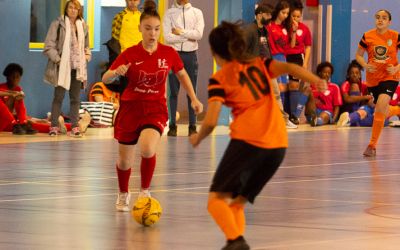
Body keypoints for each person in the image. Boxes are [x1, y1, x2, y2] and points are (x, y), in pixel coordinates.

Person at [189, 21, 324, 250]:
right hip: (278, 146)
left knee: (215, 201)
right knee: (237, 203)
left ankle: (236, 241)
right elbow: (291, 68)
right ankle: (235, 242)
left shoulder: (220, 79)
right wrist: (316, 80)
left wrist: (198, 138)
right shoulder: (259, 64)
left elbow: (211, 121)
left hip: (248, 142)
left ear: (214, 52)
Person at [101, 0, 203, 212]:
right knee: (124, 160)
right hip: (130, 109)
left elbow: (183, 75)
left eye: (156, 29)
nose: (152, 33)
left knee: (147, 148)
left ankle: (145, 190)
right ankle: (123, 192)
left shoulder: (168, 53)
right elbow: (106, 77)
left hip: (155, 108)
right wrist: (116, 72)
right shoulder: (129, 53)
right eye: (148, 28)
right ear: (140, 28)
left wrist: (194, 98)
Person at [355, 9, 400, 156]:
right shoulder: (368, 36)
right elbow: (358, 56)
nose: (380, 20)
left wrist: (396, 68)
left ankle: (371, 145)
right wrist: (365, 65)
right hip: (373, 79)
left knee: (380, 105)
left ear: (389, 21)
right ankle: (397, 110)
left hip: (390, 77)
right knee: (383, 110)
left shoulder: (395, 36)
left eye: (384, 18)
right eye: (378, 17)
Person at [43, 0, 91, 137]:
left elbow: (86, 47)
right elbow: (48, 46)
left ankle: (75, 127)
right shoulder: (58, 24)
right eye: (70, 7)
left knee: (75, 99)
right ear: (66, 9)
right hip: (62, 67)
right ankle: (53, 127)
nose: (73, 10)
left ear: (79, 10)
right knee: (58, 97)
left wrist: (86, 57)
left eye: (76, 8)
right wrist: (58, 60)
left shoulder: (83, 26)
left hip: (77, 68)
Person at [163, 0, 204, 136]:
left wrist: (179, 32)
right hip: (173, 55)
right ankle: (172, 125)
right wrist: (188, 36)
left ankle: (192, 126)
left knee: (192, 92)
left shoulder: (197, 12)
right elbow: (168, 37)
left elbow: (198, 35)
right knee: (172, 92)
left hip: (191, 56)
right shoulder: (169, 13)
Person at [285, 1, 312, 125]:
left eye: (298, 16)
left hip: (297, 58)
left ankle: (293, 116)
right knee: (284, 86)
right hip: (284, 57)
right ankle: (284, 115)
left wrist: (305, 63)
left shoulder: (305, 29)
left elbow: (308, 47)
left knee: (294, 86)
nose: (296, 18)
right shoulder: (284, 27)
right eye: (293, 16)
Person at [0, 63, 37, 135]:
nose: (15, 79)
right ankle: (15, 124)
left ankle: (23, 124)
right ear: (7, 77)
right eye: (12, 76)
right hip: (6, 121)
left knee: (36, 125)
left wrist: (23, 120)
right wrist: (12, 94)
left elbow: (21, 108)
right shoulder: (2, 87)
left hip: (8, 122)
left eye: (17, 77)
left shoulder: (18, 89)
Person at [306, 62, 342, 126]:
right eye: (325, 72)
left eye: (329, 73)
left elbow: (337, 106)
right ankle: (296, 116)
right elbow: (309, 102)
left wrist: (333, 119)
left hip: (326, 112)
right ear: (319, 73)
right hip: (313, 111)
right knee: (307, 90)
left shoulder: (335, 87)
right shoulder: (313, 85)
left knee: (324, 115)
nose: (327, 74)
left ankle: (317, 121)